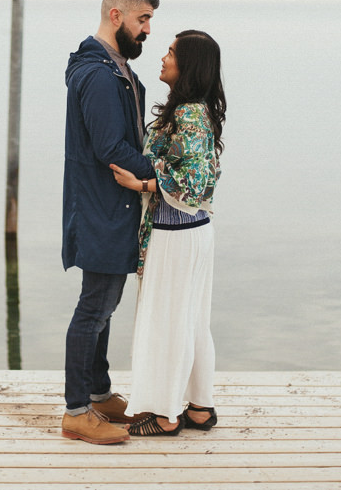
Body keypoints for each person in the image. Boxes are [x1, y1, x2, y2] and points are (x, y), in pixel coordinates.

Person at [109, 29, 226, 436]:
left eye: (172, 53)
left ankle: (165, 414)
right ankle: (198, 407)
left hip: (176, 234)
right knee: (191, 320)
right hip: (191, 232)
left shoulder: (190, 112)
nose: (163, 57)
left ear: (188, 65)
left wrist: (141, 185)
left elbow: (194, 182)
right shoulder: (194, 109)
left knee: (166, 322)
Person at [61, 0, 160, 445]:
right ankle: (77, 412)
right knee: (94, 309)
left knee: (104, 305)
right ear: (115, 15)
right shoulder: (99, 73)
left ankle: (99, 394)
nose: (147, 31)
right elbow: (111, 147)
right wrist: (162, 172)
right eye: (142, 19)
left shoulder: (113, 65)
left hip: (109, 205)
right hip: (103, 207)